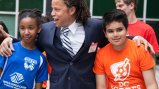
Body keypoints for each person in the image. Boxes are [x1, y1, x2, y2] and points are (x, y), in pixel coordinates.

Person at [0, 0, 154, 89]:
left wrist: (135, 38)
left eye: (56, 9)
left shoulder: (95, 27)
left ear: (72, 10)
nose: (52, 13)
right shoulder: (46, 30)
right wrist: (9, 40)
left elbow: (115, 38)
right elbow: (28, 43)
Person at [93, 9, 158, 89]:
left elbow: (151, 85)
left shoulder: (140, 49)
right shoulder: (101, 55)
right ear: (105, 34)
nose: (115, 35)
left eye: (119, 30)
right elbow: (101, 87)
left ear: (127, 30)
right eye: (110, 31)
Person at [0, 9, 48, 89]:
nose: (26, 32)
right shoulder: (8, 48)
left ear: (38, 29)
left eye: (30, 28)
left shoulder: (41, 59)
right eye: (22, 28)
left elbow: (38, 85)